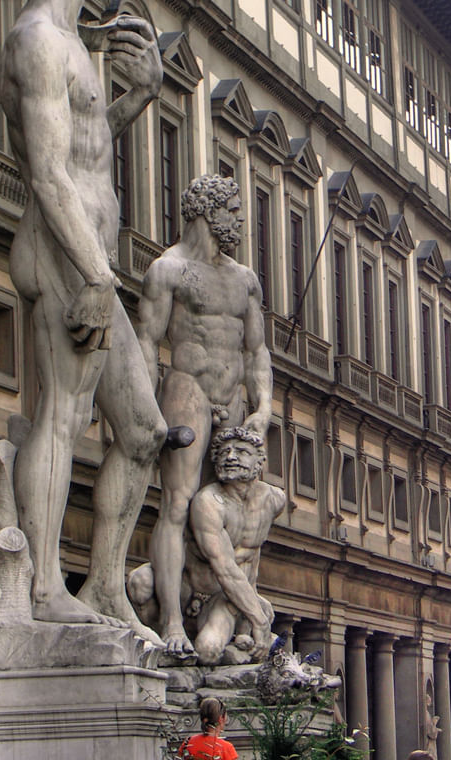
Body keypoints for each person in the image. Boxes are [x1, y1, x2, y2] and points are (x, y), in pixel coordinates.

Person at [2, 0, 173, 637]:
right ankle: (43, 589)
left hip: (97, 262)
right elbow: (47, 173)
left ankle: (104, 585)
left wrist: (137, 97)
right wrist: (97, 278)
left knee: (142, 431)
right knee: (63, 416)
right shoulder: (38, 38)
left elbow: (88, 151)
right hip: (68, 261)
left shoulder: (76, 45)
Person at [136, 173, 273, 658]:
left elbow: (256, 351)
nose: (239, 219)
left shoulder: (245, 280)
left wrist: (264, 407)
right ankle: (173, 618)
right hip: (186, 389)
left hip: (233, 398)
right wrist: (148, 410)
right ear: (205, 211)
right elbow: (147, 343)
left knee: (239, 510)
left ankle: (228, 614)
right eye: (232, 209)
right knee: (176, 505)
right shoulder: (167, 270)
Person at [128, 427, 285, 664]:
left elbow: (250, 559)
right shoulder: (208, 502)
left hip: (223, 597)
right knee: (140, 581)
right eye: (224, 452)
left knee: (208, 650)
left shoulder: (274, 500)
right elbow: (225, 567)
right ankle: (164, 645)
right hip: (187, 589)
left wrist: (251, 612)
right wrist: (260, 621)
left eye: (241, 451)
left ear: (260, 460)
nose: (231, 457)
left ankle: (229, 643)